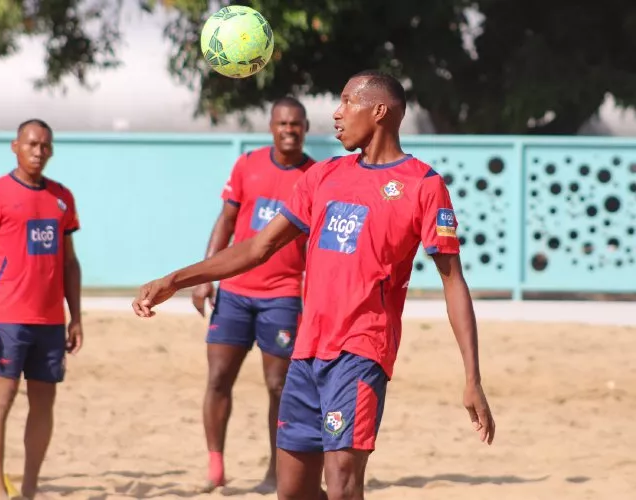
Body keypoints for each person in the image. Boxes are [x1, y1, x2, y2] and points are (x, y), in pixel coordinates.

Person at [132, 70, 496, 500]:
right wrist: (175, 279)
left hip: (362, 352)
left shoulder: (424, 185)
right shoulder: (324, 176)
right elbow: (257, 247)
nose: (336, 114)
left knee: (342, 481)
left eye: (346, 102)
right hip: (305, 354)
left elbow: (453, 282)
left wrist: (472, 376)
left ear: (379, 111)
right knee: (294, 492)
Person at [191, 97, 315, 492]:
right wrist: (204, 275)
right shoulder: (247, 165)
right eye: (282, 123)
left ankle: (277, 471)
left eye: (296, 124)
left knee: (279, 386)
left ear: (306, 128)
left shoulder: (316, 175)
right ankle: (215, 466)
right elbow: (226, 221)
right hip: (235, 293)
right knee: (218, 378)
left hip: (282, 294)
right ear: (271, 127)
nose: (289, 130)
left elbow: (317, 243)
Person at [0, 119, 83, 500]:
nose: (39, 151)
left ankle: (30, 488)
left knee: (44, 403)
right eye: (32, 143)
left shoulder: (62, 197)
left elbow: (69, 263)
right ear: (15, 146)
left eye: (46, 145)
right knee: (1, 398)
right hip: (8, 319)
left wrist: (75, 316)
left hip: (50, 321)